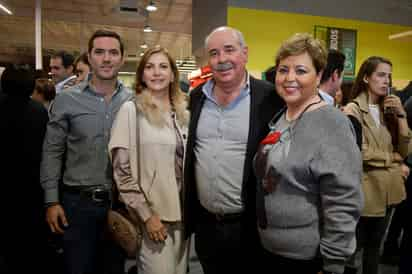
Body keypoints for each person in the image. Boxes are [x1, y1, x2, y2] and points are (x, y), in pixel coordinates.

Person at [253, 33, 363, 274]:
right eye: (284, 70)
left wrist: (333, 263)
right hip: (270, 251)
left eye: (301, 71)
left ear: (319, 76)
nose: (290, 78)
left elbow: (343, 198)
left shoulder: (331, 122)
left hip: (308, 260)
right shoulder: (282, 116)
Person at [183, 26, 284, 274]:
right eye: (214, 53)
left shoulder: (270, 97)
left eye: (229, 50)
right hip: (207, 227)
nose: (222, 60)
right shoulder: (197, 97)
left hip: (249, 228)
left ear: (245, 53)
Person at [40, 29, 132, 274]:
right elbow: (52, 151)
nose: (106, 58)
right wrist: (51, 200)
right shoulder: (67, 100)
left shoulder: (133, 101)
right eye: (99, 52)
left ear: (122, 59)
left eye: (113, 52)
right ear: (89, 57)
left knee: (114, 269)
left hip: (120, 205)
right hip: (76, 205)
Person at [109, 46, 189, 274]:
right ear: (142, 74)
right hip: (152, 217)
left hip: (183, 217)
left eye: (163, 66)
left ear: (173, 74)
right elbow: (121, 170)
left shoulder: (183, 115)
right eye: (150, 67)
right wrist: (146, 216)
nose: (156, 72)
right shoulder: (131, 111)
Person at [345, 56, 412, 274]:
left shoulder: (390, 110)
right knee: (353, 250)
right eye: (381, 75)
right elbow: (360, 151)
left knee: (374, 250)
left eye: (389, 76)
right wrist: (391, 159)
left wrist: (402, 116)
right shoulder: (352, 110)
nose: (386, 81)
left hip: (389, 192)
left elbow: (405, 150)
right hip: (366, 191)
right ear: (366, 77)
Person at [0, 65, 50, 273]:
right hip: (31, 187)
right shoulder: (38, 112)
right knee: (29, 246)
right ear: (31, 86)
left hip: (3, 187)